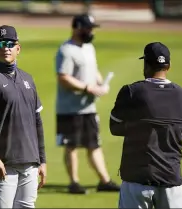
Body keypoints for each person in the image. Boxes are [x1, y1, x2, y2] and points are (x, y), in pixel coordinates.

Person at [0, 25, 47, 208]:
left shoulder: (28, 79)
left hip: (29, 161)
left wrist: (42, 160)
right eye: (0, 43)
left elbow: (37, 121)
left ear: (18, 48)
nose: (6, 47)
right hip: (2, 162)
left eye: (10, 43)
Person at [110, 42, 182, 208]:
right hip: (171, 180)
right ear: (169, 66)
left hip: (136, 180)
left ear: (146, 64)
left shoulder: (131, 92)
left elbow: (114, 128)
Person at [55, 14, 120, 194]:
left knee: (94, 144)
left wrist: (99, 84)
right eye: (87, 28)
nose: (90, 32)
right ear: (76, 28)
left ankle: (104, 181)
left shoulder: (89, 48)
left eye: (91, 28)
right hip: (70, 108)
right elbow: (63, 78)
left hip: (88, 108)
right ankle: (73, 183)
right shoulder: (66, 51)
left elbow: (93, 69)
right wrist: (87, 88)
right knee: (72, 145)